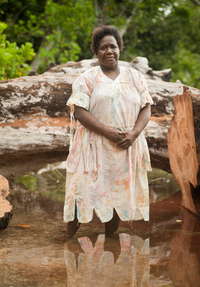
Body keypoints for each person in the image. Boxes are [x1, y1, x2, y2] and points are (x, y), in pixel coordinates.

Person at [54, 25, 153, 242]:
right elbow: (79, 111)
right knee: (81, 188)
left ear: (120, 49)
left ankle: (111, 239)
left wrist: (134, 134)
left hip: (127, 144)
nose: (109, 51)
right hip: (93, 144)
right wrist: (108, 132)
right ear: (96, 51)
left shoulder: (135, 77)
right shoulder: (87, 78)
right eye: (103, 47)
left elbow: (147, 107)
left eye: (113, 46)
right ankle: (68, 237)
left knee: (119, 190)